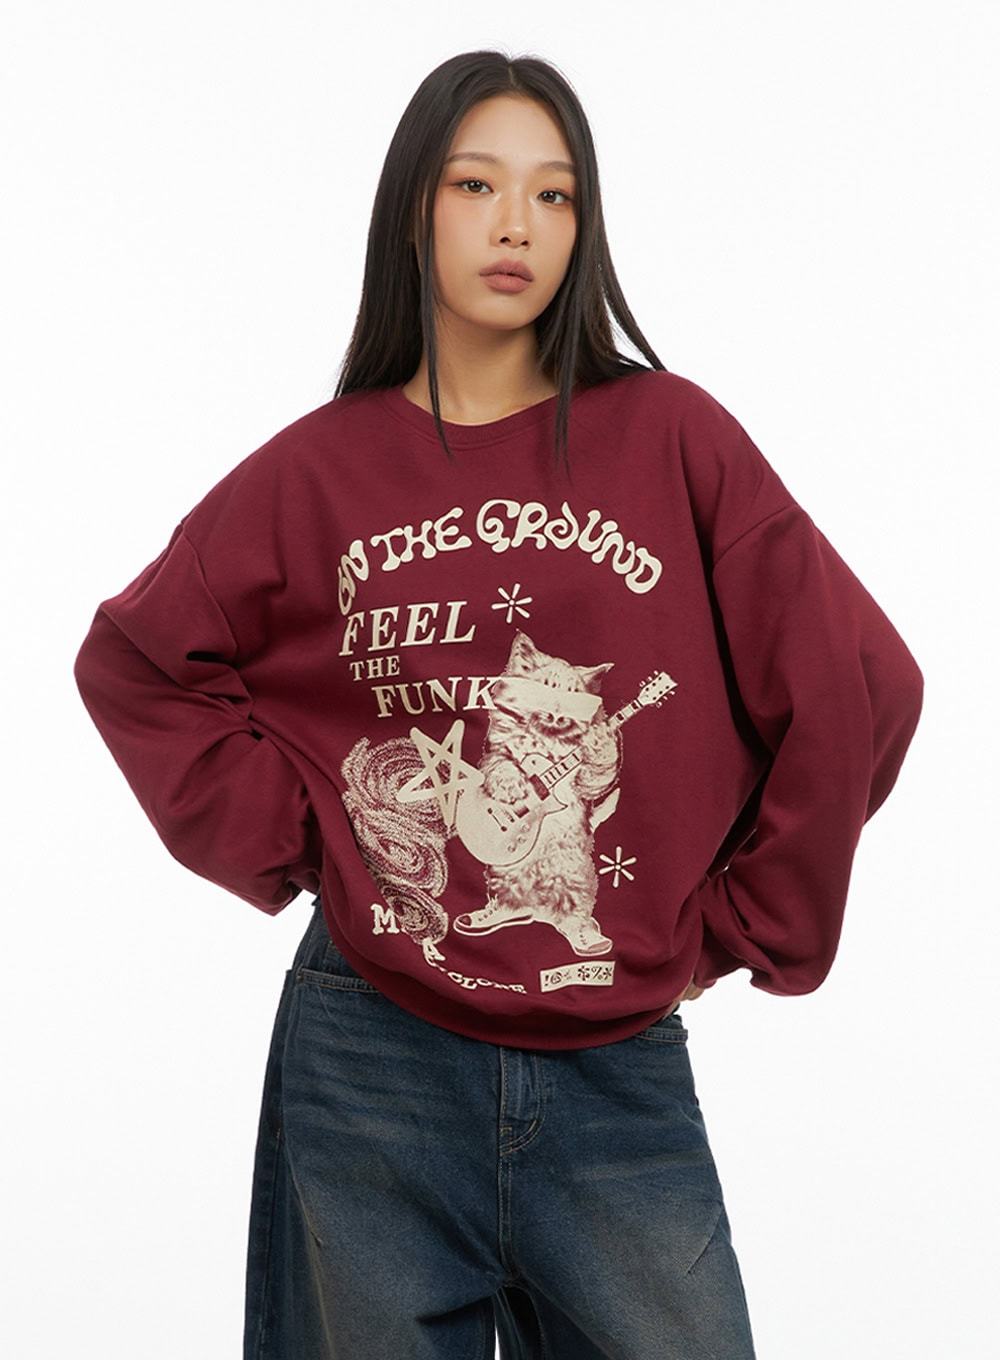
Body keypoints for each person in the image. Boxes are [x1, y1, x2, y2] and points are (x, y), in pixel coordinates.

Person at [73, 49, 924, 1360]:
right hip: (371, 1057)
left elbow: (862, 684)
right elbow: (137, 662)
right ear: (414, 207)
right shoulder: (316, 473)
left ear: (585, 226)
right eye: (476, 184)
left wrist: (741, 926)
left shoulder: (673, 438)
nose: (516, 223)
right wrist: (317, 839)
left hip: (614, 1057)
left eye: (554, 193)